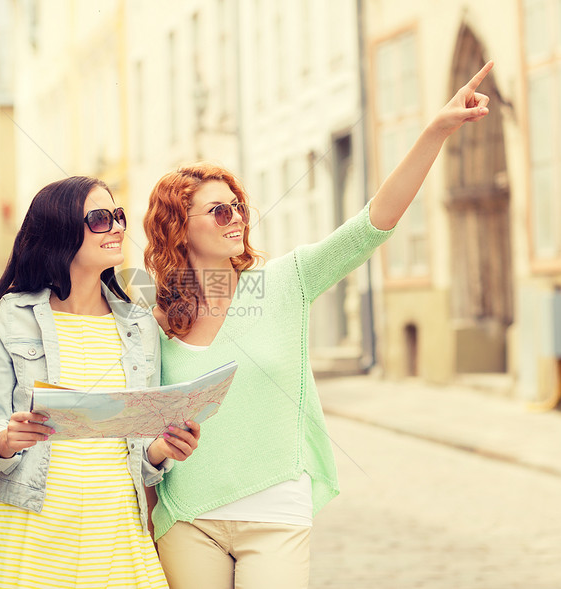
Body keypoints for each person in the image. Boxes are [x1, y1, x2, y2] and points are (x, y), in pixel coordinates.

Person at [142, 62, 496, 588]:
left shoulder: (288, 281)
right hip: (188, 516)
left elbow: (374, 223)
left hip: (276, 510)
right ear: (178, 228)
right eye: (219, 211)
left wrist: (435, 130)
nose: (237, 217)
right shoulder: (155, 320)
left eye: (238, 206)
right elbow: (141, 427)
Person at [0, 176, 200, 588]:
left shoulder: (139, 325)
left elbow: (141, 447)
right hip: (33, 532)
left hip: (117, 535)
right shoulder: (13, 314)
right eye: (99, 218)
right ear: (60, 229)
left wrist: (163, 448)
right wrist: (9, 439)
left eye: (118, 216)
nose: (116, 227)